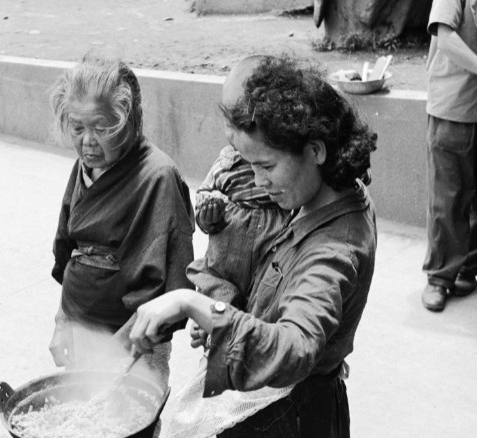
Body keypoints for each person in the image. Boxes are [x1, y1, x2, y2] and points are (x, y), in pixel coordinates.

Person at [129, 56, 377, 437]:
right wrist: (221, 316)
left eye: (267, 166)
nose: (259, 182)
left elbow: (295, 346)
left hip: (292, 415)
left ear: (315, 150)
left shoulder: (334, 249)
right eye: (249, 167)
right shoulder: (320, 191)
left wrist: (190, 301)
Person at [48, 52, 195, 383]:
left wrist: (113, 356)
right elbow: (71, 252)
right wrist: (62, 324)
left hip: (135, 340)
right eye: (77, 128)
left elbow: (166, 290)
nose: (88, 141)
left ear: (129, 119)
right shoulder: (86, 165)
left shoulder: (157, 177)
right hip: (80, 326)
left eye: (102, 127)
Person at [186, 55, 287, 310]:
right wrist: (209, 215)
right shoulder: (227, 160)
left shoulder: (283, 162)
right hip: (226, 266)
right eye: (226, 121)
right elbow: (206, 194)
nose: (230, 132)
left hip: (268, 268)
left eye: (239, 122)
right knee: (215, 298)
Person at [421, 0, 477, 311]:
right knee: (447, 198)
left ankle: (468, 267)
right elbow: (445, 39)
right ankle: (440, 278)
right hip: (452, 109)